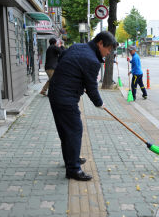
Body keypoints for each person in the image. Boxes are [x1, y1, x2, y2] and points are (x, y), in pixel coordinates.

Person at [48, 31, 116, 181]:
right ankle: (73, 169)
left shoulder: (77, 47)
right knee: (74, 131)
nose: (109, 52)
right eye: (109, 48)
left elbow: (65, 62)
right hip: (65, 98)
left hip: (55, 92)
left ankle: (72, 159)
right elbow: (92, 88)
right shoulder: (92, 60)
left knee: (66, 131)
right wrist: (100, 104)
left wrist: (76, 80)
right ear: (100, 43)